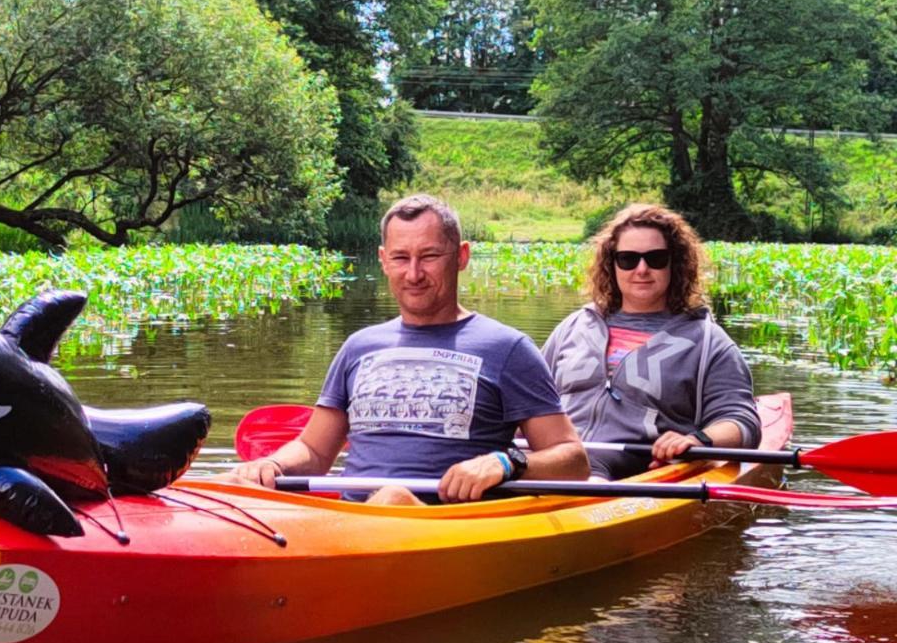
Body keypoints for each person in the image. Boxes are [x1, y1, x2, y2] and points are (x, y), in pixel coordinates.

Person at [230, 194, 588, 504]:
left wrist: (506, 462)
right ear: (384, 260)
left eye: (429, 256)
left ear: (461, 257)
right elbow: (314, 450)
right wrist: (271, 465)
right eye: (401, 258)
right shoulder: (359, 347)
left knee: (393, 496)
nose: (414, 274)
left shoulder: (508, 348)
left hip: (444, 523)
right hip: (352, 517)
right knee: (235, 483)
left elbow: (573, 461)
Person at [542, 203, 761, 481]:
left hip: (633, 470)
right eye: (628, 259)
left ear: (675, 263)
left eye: (655, 258)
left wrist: (699, 441)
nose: (642, 269)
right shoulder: (572, 327)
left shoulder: (708, 342)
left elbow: (742, 422)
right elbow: (526, 402)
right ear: (612, 265)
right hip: (552, 460)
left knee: (593, 474)